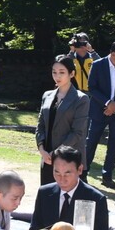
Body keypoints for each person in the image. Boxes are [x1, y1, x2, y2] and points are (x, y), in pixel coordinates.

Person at [28, 145, 110, 230]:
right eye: (57, 173)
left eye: (67, 173)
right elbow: (35, 229)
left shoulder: (95, 199)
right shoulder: (44, 193)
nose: (62, 179)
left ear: (80, 170)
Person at [85, 39, 115, 188]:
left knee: (113, 144)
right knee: (91, 142)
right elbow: (92, 87)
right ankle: (83, 174)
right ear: (113, 54)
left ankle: (107, 176)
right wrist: (107, 103)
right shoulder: (97, 65)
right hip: (99, 111)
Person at [36, 56, 90, 185]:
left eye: (62, 72)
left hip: (69, 158)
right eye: (54, 72)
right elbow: (41, 125)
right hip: (47, 157)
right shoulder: (47, 95)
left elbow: (77, 132)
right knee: (47, 193)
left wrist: (56, 153)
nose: (57, 76)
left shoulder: (81, 99)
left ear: (71, 74)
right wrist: (41, 149)